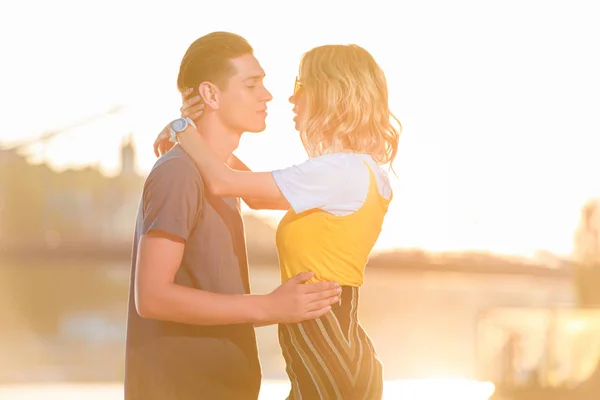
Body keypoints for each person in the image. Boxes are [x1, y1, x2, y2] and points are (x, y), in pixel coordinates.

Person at [157, 42, 401, 399]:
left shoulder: (339, 171)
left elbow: (223, 182)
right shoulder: (352, 171)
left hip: (327, 349)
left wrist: (183, 129)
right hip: (333, 345)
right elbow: (252, 193)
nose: (289, 97)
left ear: (330, 93)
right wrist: (205, 140)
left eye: (301, 85)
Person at [125, 32, 341, 400]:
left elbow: (243, 186)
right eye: (251, 84)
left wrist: (182, 130)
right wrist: (269, 306)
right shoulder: (178, 173)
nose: (268, 96)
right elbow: (152, 296)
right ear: (211, 95)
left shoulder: (222, 176)